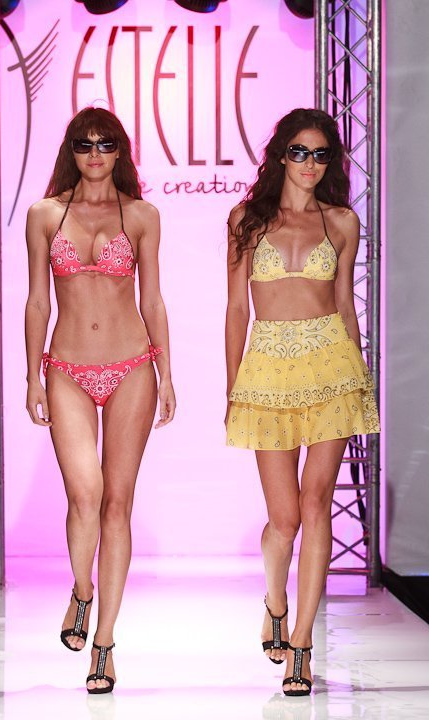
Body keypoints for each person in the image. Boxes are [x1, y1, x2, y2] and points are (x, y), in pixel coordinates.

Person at [225, 108, 380, 696]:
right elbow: (236, 309)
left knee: (317, 505)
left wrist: (360, 378)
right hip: (266, 368)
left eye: (320, 154)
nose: (310, 164)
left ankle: (303, 645)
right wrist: (233, 386)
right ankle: (275, 601)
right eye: (299, 152)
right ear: (279, 155)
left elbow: (344, 305)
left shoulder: (342, 221)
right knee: (284, 518)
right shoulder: (247, 220)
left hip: (331, 367)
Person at [25, 107, 175, 694]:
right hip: (65, 368)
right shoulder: (45, 214)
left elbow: (153, 299)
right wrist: (32, 377)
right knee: (84, 494)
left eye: (105, 144)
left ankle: (105, 643)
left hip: (132, 365)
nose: (95, 153)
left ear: (120, 152)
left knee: (117, 503)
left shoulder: (141, 215)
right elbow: (38, 301)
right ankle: (82, 591)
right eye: (84, 144)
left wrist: (167, 373)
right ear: (71, 150)